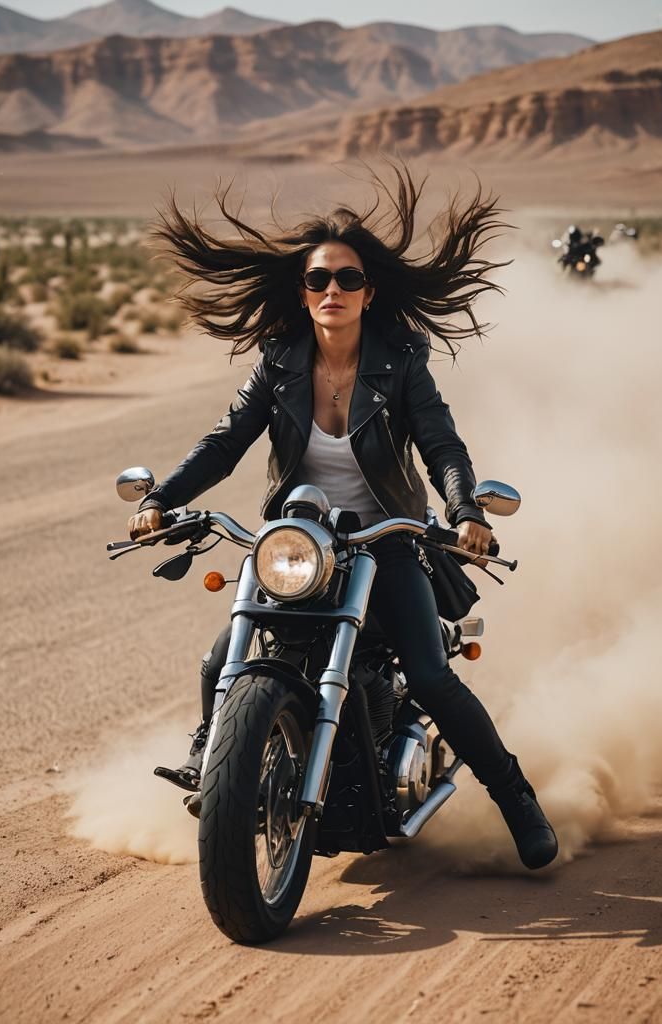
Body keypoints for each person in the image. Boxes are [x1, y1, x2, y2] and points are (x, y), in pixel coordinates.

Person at [127, 165, 558, 870]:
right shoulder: (279, 363)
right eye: (320, 279)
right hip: (300, 540)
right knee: (219, 658)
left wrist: (464, 508)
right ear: (302, 293)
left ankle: (518, 801)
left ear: (369, 292)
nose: (333, 291)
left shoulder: (402, 362)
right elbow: (225, 441)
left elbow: (441, 443)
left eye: (348, 279)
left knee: (428, 674)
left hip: (385, 541)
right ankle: (220, 763)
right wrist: (163, 499)